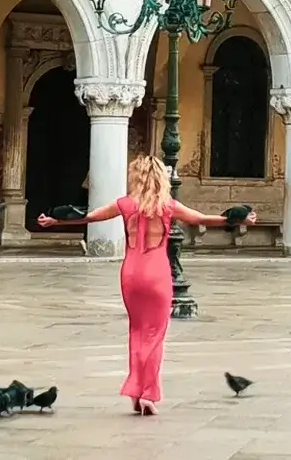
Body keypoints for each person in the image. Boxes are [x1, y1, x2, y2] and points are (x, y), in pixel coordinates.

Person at [37, 155, 257, 416]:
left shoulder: (125, 204)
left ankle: (135, 391)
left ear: (136, 178)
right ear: (161, 178)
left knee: (137, 332)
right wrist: (240, 220)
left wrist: (55, 221)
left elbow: (88, 216)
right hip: (157, 274)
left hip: (131, 273)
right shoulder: (168, 206)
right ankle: (148, 395)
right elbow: (201, 219)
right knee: (155, 335)